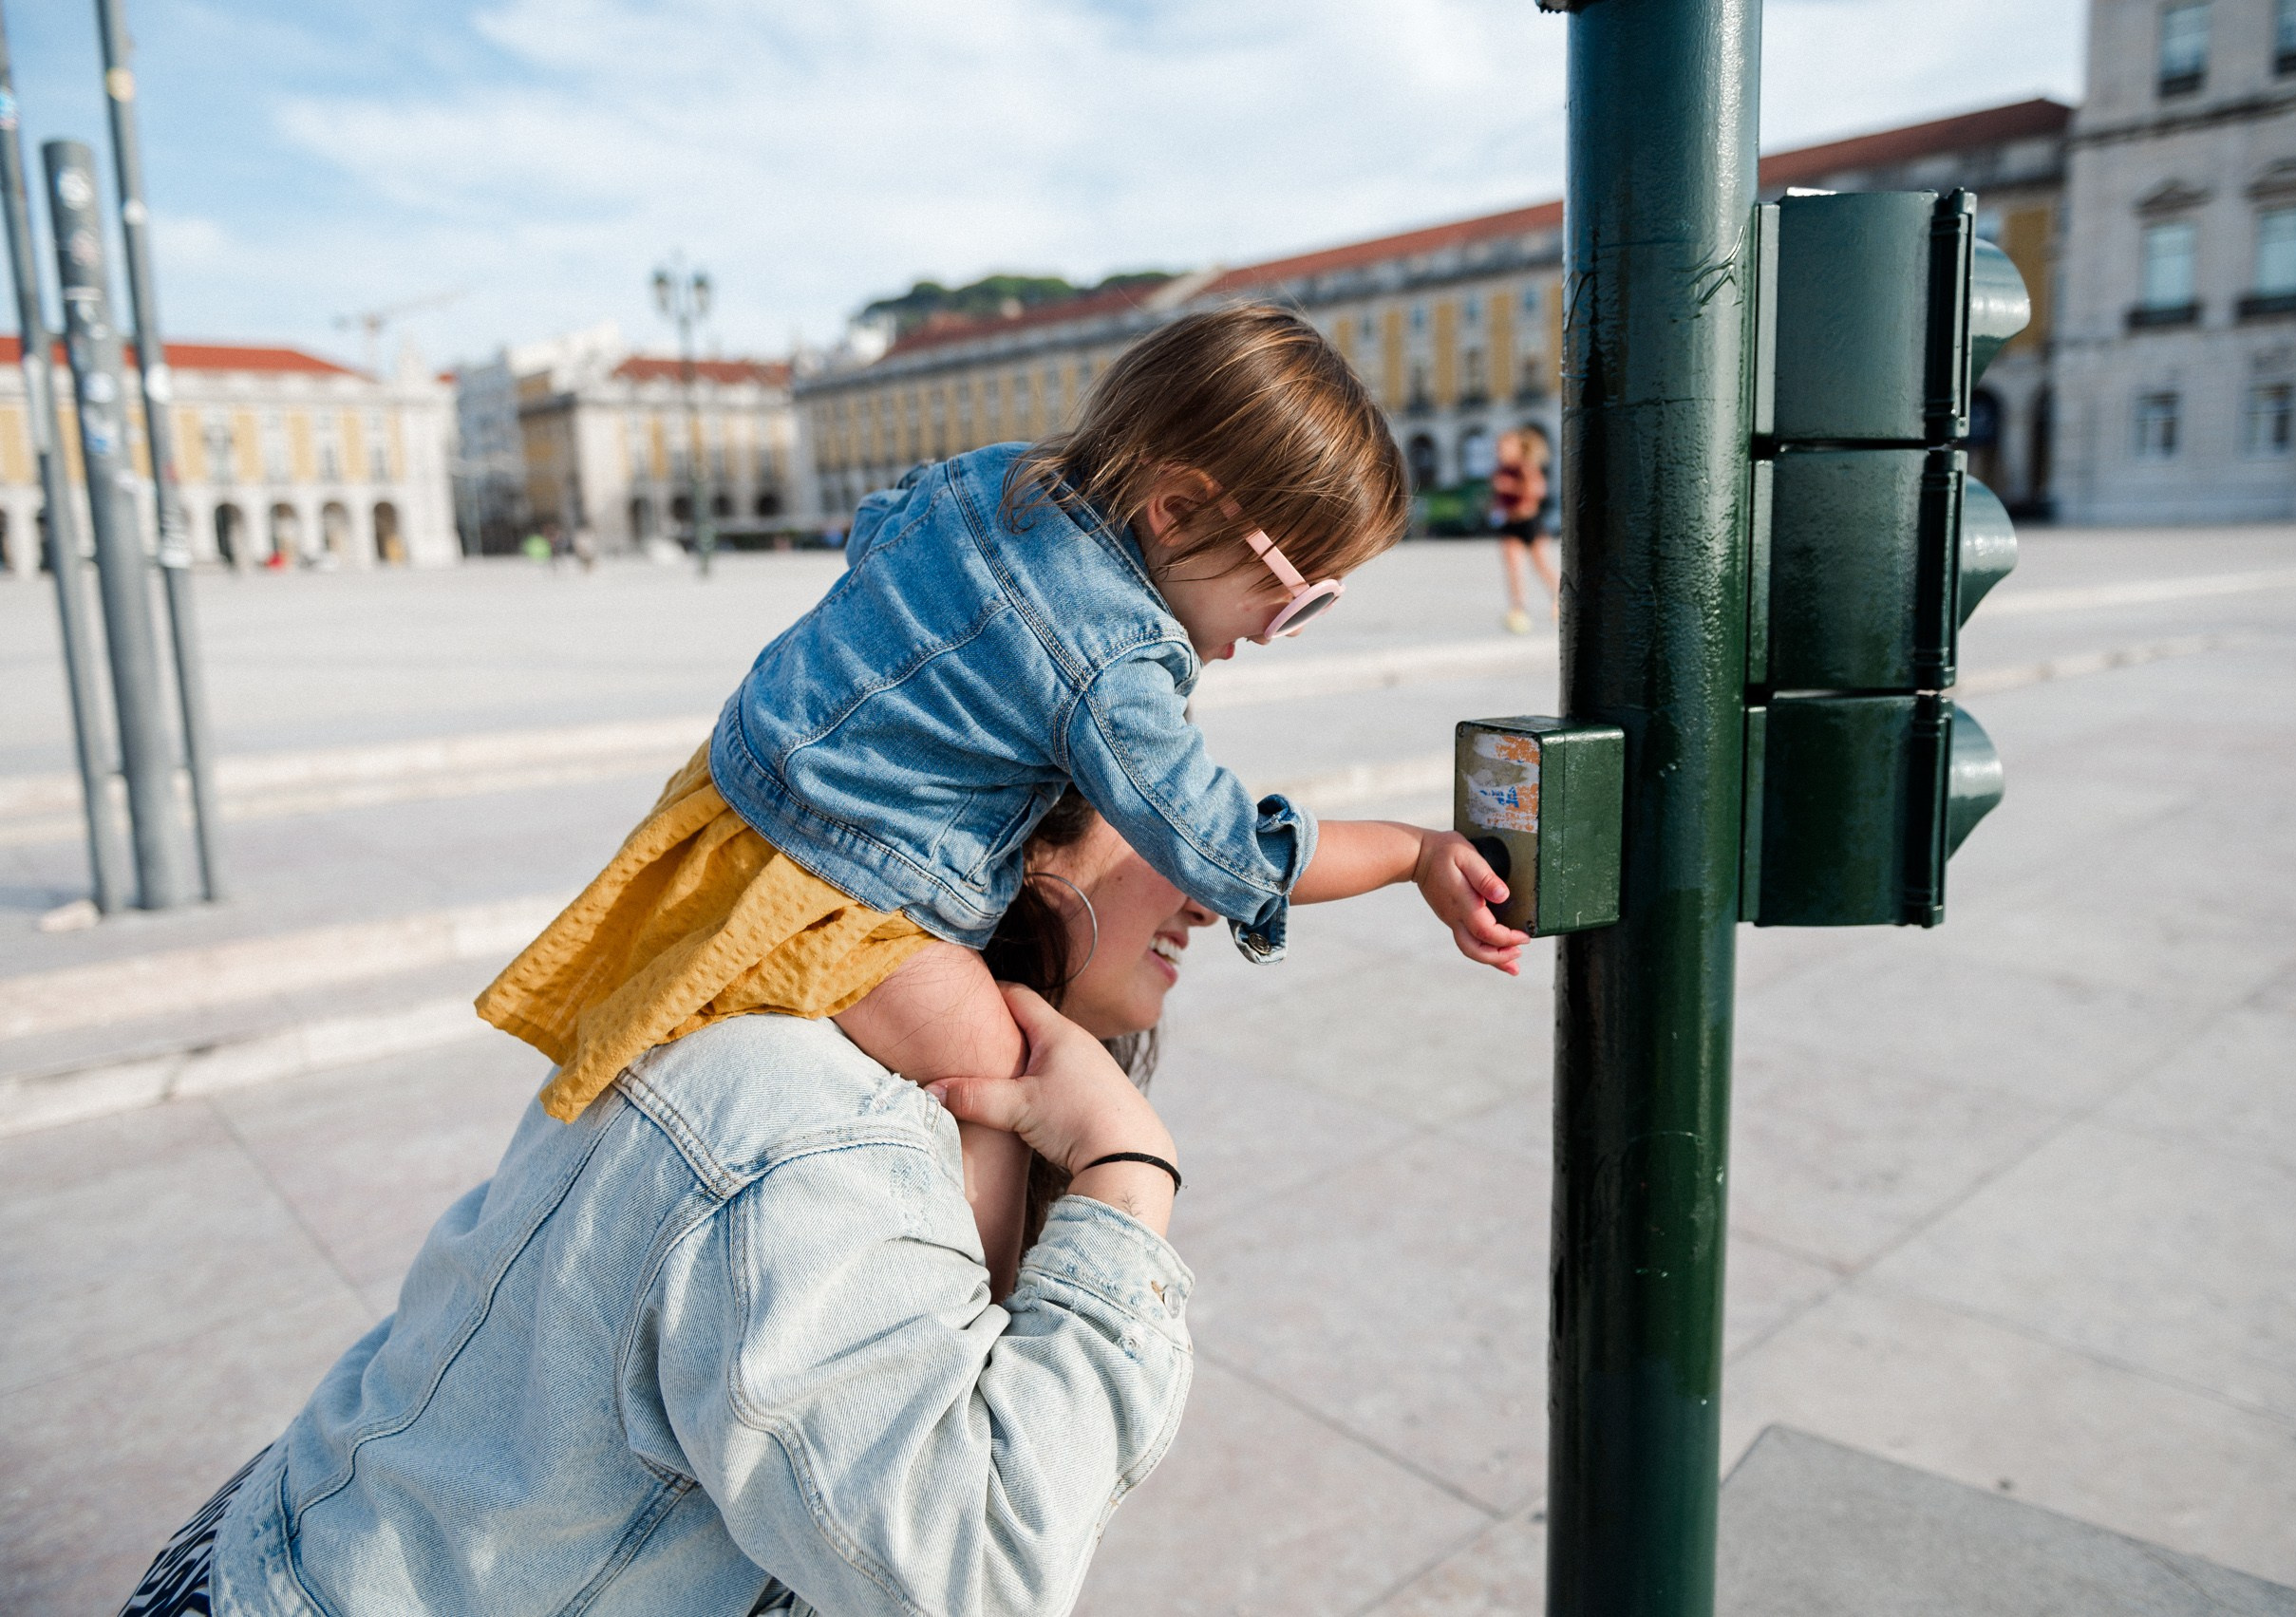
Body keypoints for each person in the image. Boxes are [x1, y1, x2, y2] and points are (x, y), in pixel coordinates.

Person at [472, 302, 1529, 1299]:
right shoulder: (1116, 655)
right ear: (1178, 509)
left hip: (735, 786)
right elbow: (1224, 850)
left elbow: (879, 530)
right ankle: (975, 1304)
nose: (1272, 630)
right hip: (849, 877)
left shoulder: (993, 480)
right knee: (999, 1062)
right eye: (1298, 596)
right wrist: (1404, 850)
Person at [121, 796, 1215, 1617]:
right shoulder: (821, 1128)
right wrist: (1128, 1174)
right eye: (1172, 823)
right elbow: (972, 1569)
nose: (1209, 892)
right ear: (1024, 837)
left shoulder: (810, 1010)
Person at [1492, 426, 1555, 633]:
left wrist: (1510, 486)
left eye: (1504, 447)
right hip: (1511, 523)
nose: (1500, 451)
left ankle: (1560, 597)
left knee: (1541, 566)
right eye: (1498, 447)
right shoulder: (1501, 469)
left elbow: (1539, 490)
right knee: (1513, 568)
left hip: (1531, 522)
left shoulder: (1525, 467)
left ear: (1518, 448)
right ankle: (1518, 609)